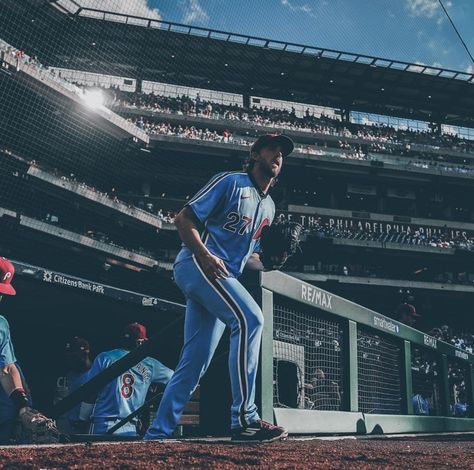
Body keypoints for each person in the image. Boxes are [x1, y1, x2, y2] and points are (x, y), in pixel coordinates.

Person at [144, 133, 294, 443]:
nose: (277, 154)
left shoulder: (269, 207)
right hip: (197, 264)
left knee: (194, 364)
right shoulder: (231, 182)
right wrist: (204, 254)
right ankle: (245, 419)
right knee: (250, 319)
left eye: (282, 152)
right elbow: (183, 218)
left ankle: (156, 435)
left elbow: (246, 256)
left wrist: (271, 262)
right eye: (271, 148)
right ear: (255, 154)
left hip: (221, 275)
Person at [80, 323, 173, 437]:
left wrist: (82, 418)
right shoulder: (150, 364)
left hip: (103, 423)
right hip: (130, 426)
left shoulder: (104, 357)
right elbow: (174, 378)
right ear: (140, 342)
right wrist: (153, 387)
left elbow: (91, 391)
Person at [54, 336, 92, 434]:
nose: (70, 360)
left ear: (85, 353)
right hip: (65, 426)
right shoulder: (66, 375)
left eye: (74, 356)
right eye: (68, 356)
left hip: (88, 426)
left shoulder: (95, 373)